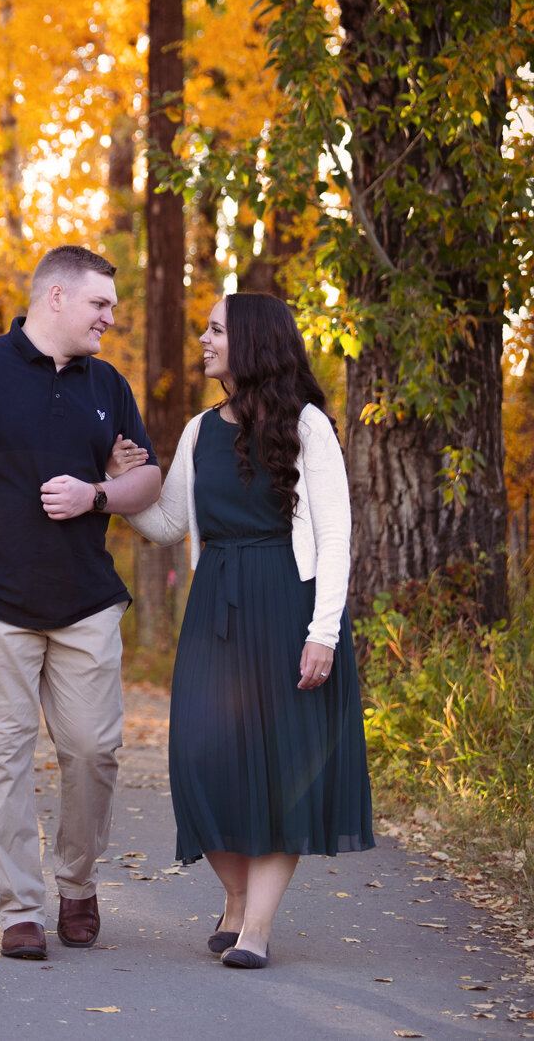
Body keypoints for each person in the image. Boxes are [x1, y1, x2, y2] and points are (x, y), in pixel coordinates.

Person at [0, 245, 164, 961]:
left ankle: (76, 881)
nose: (110, 318)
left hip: (86, 601)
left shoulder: (107, 383)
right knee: (2, 758)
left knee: (93, 750)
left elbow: (148, 480)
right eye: (100, 305)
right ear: (55, 297)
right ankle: (20, 905)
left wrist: (98, 494)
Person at [119, 292, 375, 968]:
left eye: (215, 329)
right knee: (199, 762)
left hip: (290, 608)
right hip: (216, 610)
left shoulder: (309, 426)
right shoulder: (200, 430)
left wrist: (324, 631)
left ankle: (256, 926)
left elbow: (336, 536)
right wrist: (118, 490)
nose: (203, 339)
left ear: (254, 340)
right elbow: (170, 523)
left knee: (283, 767)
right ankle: (235, 895)